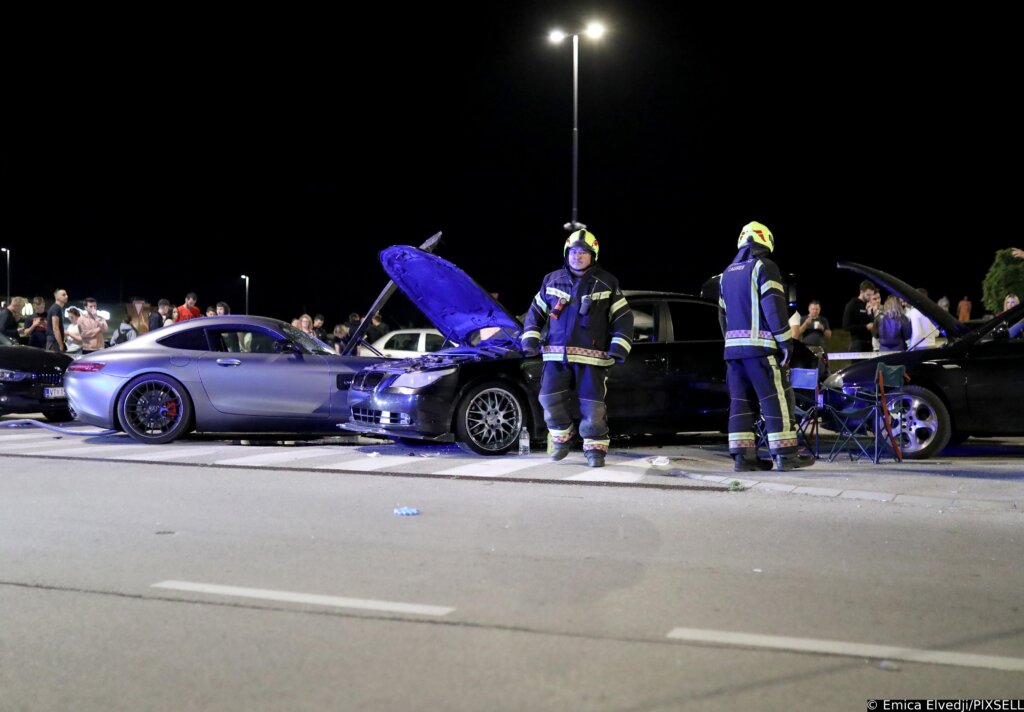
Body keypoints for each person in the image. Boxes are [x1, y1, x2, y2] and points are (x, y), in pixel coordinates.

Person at [521, 229, 633, 468]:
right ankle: (562, 437)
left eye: (583, 252)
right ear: (566, 253)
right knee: (548, 399)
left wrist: (618, 346)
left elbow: (623, 317)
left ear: (593, 256)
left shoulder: (607, 282)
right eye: (573, 252)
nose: (577, 256)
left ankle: (595, 450)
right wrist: (529, 338)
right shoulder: (551, 280)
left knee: (592, 407)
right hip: (555, 354)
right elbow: (535, 314)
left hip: (592, 358)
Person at [718, 221, 813, 472]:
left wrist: (732, 343)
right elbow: (774, 308)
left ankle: (743, 459)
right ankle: (786, 456)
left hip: (733, 353)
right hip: (760, 351)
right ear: (765, 241)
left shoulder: (726, 273)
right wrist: (785, 344)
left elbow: (722, 316)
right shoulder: (765, 267)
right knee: (775, 400)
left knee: (740, 403)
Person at [842, 280, 877, 353]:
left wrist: (871, 313)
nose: (870, 297)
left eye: (872, 295)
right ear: (861, 292)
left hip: (869, 344)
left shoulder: (868, 305)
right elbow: (846, 326)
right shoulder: (852, 305)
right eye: (868, 295)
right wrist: (865, 327)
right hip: (857, 344)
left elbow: (872, 323)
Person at [46, 288, 69, 353]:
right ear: (57, 297)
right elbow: (55, 328)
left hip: (54, 341)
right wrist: (61, 344)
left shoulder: (58, 308)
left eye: (66, 294)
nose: (66, 296)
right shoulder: (56, 308)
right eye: (63, 295)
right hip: (54, 342)